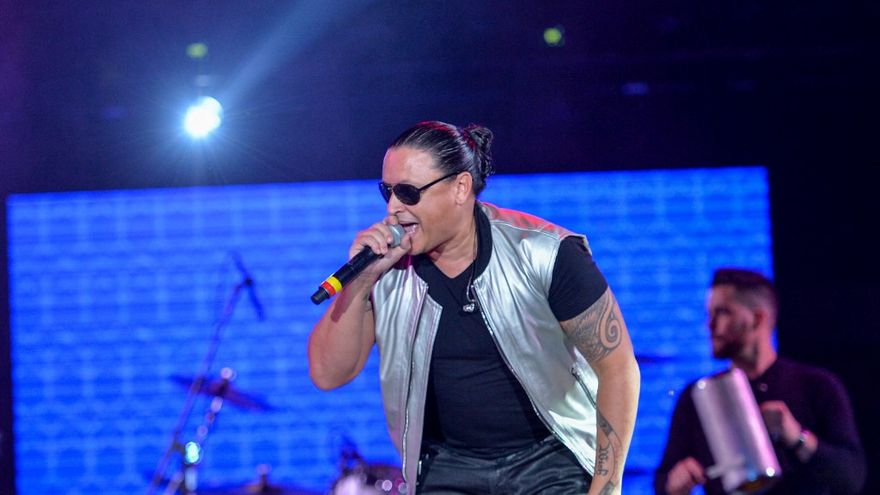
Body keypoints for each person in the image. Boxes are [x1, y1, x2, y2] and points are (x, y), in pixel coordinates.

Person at [308, 121, 640, 494]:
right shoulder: (386, 271)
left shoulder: (543, 252)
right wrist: (361, 282)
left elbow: (617, 368)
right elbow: (327, 375)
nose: (393, 207)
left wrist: (606, 488)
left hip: (549, 461)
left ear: (460, 187)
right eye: (387, 191)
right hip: (447, 466)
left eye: (408, 192)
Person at [654, 268, 866, 495]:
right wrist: (675, 483)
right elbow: (663, 482)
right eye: (710, 313)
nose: (710, 324)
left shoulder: (817, 387)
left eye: (722, 312)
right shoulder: (697, 396)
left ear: (757, 319)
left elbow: (851, 478)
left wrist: (796, 436)